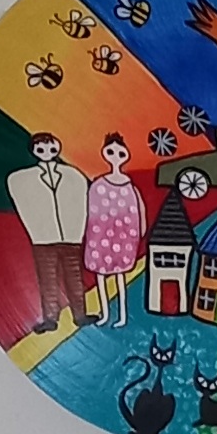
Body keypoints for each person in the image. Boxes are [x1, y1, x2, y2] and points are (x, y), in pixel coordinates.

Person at [6, 133, 91, 335]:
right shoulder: (24, 178)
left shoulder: (72, 176)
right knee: (48, 279)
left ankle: (80, 314)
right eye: (41, 149)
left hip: (70, 236)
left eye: (51, 148)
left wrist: (77, 230)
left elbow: (80, 202)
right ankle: (50, 318)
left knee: (74, 276)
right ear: (34, 151)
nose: (46, 152)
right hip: (43, 238)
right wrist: (36, 228)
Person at [80, 133, 148, 326]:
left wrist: (141, 229)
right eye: (111, 152)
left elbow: (140, 208)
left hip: (124, 239)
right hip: (100, 239)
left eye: (120, 153)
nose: (116, 157)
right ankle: (105, 314)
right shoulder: (98, 185)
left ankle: (122, 316)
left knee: (120, 276)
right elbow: (89, 212)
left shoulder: (129, 186)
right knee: (101, 276)